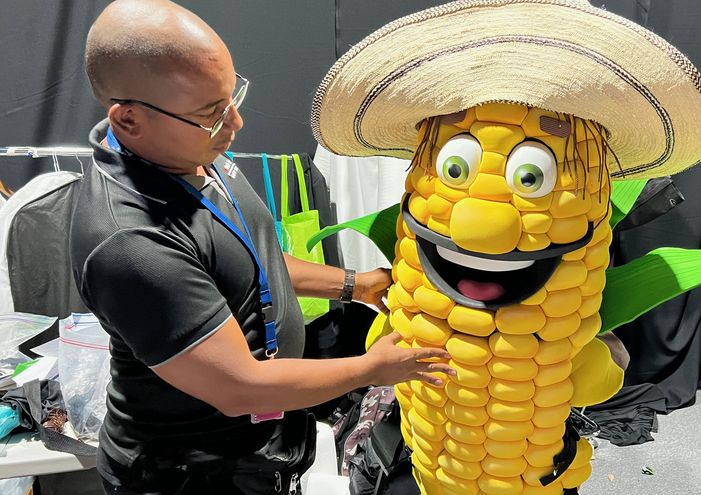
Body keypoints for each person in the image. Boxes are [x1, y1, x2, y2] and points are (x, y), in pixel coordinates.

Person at [69, 1, 454, 493]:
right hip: (190, 473)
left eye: (232, 97)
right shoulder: (131, 243)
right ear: (129, 120)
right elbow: (238, 388)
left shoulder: (187, 152)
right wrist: (370, 369)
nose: (235, 123)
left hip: (256, 451)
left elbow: (249, 260)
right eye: (211, 114)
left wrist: (356, 285)